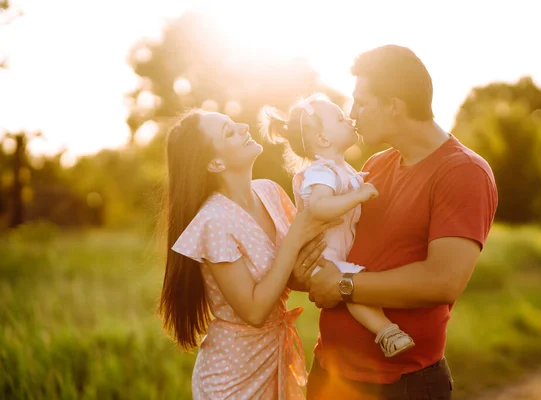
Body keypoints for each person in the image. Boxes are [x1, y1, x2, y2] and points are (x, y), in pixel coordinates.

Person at [305, 45, 499, 399]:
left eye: (361, 103)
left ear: (393, 106)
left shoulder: (463, 172)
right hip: (328, 376)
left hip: (400, 385)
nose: (352, 114)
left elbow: (443, 280)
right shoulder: (375, 166)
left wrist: (344, 286)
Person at [159, 109, 339, 399]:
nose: (243, 127)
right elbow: (255, 311)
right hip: (232, 375)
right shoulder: (214, 221)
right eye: (229, 131)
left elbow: (288, 274)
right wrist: (295, 240)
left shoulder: (269, 192)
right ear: (215, 162)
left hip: (274, 356)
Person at [260, 93, 415, 358]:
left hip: (336, 253)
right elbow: (318, 208)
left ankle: (385, 330)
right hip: (323, 258)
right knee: (355, 287)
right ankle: (386, 332)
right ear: (323, 139)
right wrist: (358, 195)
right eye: (341, 118)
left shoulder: (344, 170)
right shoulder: (321, 172)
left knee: (358, 285)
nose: (350, 119)